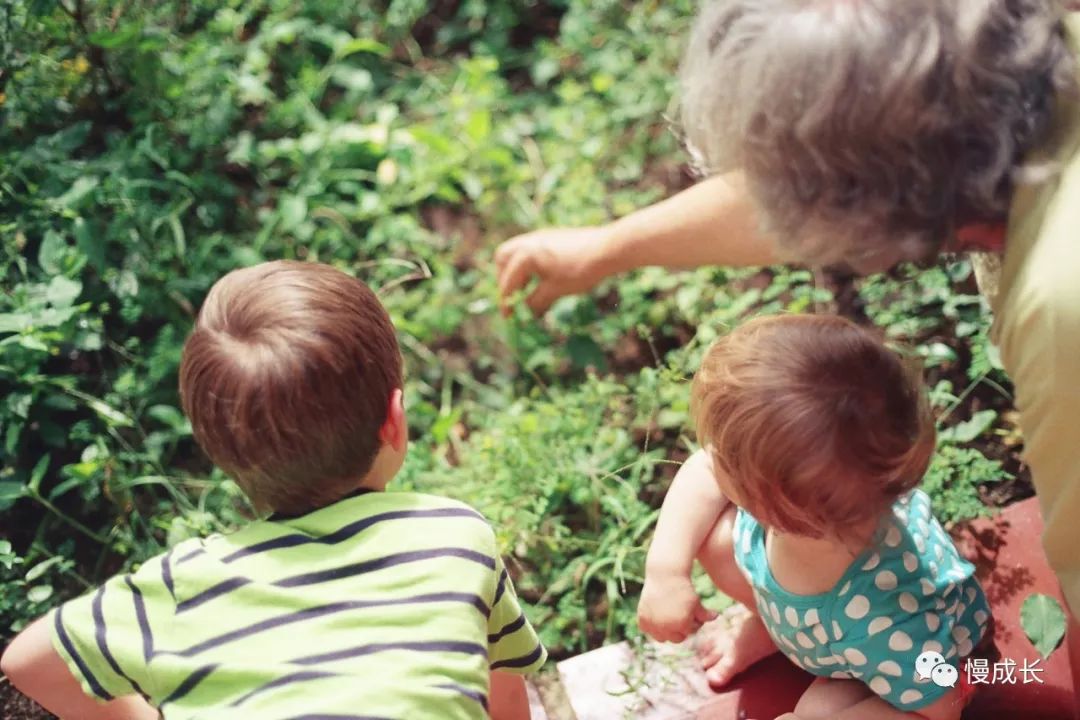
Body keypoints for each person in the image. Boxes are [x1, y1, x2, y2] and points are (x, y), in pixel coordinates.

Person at [495, 0, 1080, 706]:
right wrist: (599, 251)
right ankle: (777, 629)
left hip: (924, 669)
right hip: (828, 623)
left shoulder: (1061, 309)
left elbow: (957, 682)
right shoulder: (1032, 76)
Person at [1, 261, 546, 720]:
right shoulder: (454, 538)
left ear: (219, 454)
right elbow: (506, 704)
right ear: (395, 422)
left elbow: (25, 661)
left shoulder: (181, 588)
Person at [638, 314, 991, 719]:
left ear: (769, 503)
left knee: (816, 711)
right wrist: (665, 572)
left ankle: (786, 639)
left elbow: (941, 708)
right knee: (707, 536)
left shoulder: (885, 620)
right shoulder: (808, 508)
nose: (710, 459)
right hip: (824, 627)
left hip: (903, 666)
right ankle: (773, 628)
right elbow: (703, 471)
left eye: (725, 461)